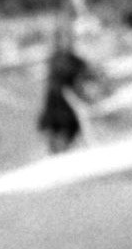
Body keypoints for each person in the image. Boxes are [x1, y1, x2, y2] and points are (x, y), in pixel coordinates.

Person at [36, 22, 92, 154]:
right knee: (59, 142)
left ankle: (58, 153)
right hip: (59, 107)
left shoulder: (69, 61)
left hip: (63, 107)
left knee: (60, 143)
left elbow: (83, 79)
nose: (66, 42)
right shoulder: (62, 61)